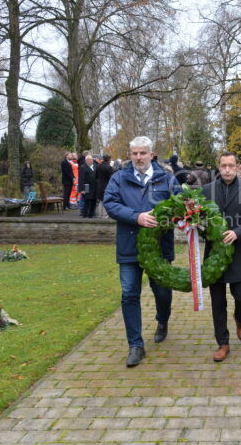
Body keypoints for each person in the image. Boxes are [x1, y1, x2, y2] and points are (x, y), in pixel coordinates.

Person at [103, 136, 181, 367]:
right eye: (134, 153)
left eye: (142, 153)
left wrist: (169, 217)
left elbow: (179, 205)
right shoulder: (119, 178)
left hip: (159, 248)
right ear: (130, 155)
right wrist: (136, 217)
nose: (138, 157)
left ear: (151, 154)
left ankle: (162, 320)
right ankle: (135, 345)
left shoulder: (166, 179)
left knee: (163, 292)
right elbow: (110, 204)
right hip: (129, 247)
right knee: (129, 294)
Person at [202, 152, 241, 362]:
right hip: (214, 256)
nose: (227, 169)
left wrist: (238, 232)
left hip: (239, 253)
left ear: (237, 167)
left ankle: (240, 319)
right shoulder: (206, 191)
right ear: (218, 167)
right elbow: (199, 220)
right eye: (223, 166)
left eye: (231, 165)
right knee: (217, 302)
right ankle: (223, 342)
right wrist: (202, 229)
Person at [96, 154, 114, 218]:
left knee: (100, 200)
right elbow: (112, 178)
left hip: (99, 185)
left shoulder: (98, 166)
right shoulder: (109, 167)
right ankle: (105, 215)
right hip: (107, 185)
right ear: (109, 159)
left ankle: (99, 214)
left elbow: (96, 176)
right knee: (106, 200)